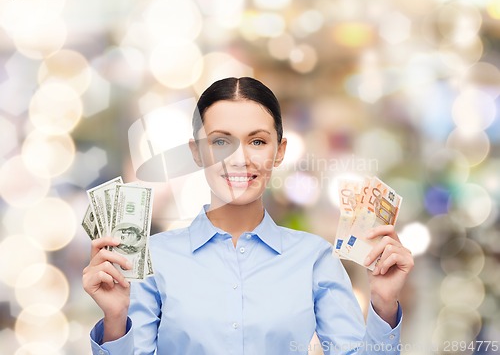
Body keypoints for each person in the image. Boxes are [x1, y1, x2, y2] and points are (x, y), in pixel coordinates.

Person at [83, 77, 414, 355]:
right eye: (221, 141)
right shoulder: (152, 259)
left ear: (280, 151)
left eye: (257, 141)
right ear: (196, 152)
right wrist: (115, 320)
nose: (240, 159)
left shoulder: (314, 258)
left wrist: (384, 303)